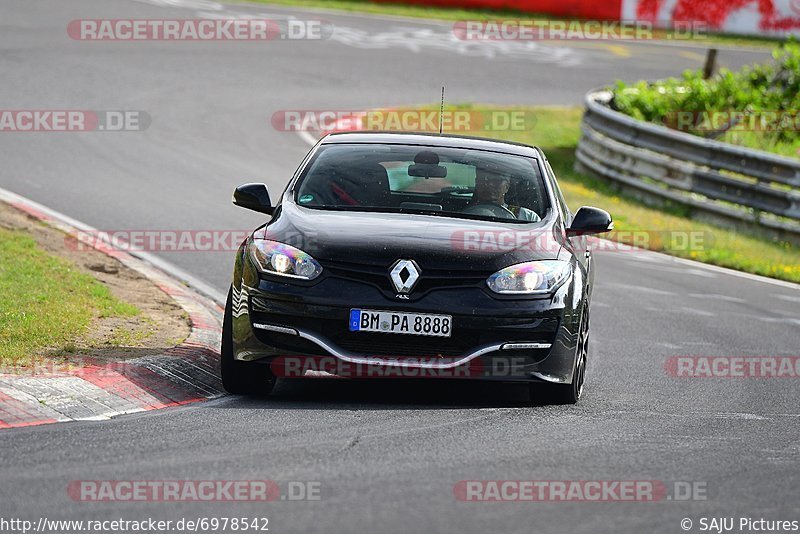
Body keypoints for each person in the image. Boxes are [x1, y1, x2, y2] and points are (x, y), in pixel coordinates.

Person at [464, 166, 540, 222]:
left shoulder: (528, 218)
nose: (489, 184)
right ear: (477, 182)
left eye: (496, 180)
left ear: (507, 187)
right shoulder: (457, 214)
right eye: (484, 179)